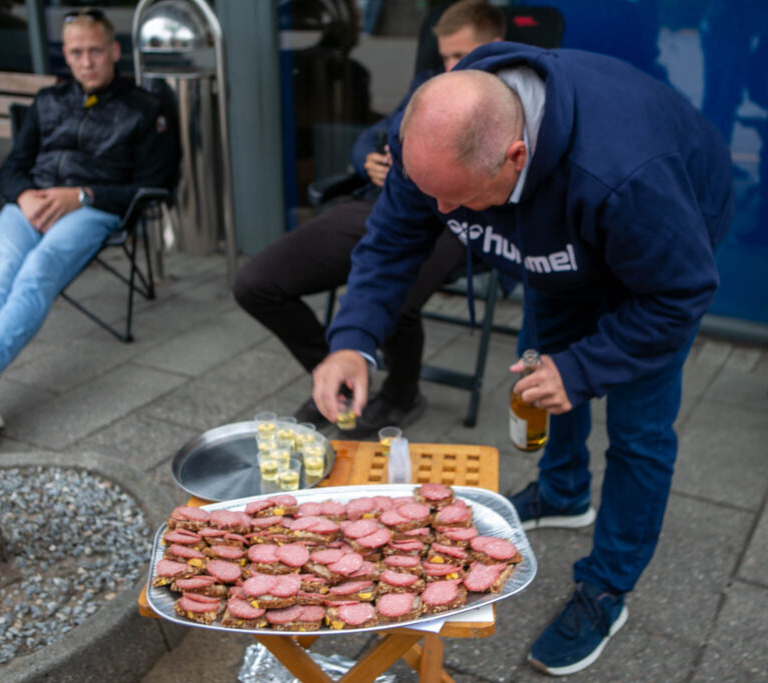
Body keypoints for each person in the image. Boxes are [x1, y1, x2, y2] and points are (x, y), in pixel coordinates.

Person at [311, 44, 733, 675]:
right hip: (557, 249)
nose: (444, 216)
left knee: (639, 433)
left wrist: (586, 368)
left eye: (458, 200)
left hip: (660, 258)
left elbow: (681, 293)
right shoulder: (433, 135)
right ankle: (564, 492)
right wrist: (352, 339)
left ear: (515, 157)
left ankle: (606, 588)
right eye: (435, 197)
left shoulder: (626, 171)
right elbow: (395, 236)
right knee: (541, 371)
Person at [232, 0, 504, 437]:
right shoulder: (429, 85)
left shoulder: (506, 101)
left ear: (495, 46)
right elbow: (372, 136)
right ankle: (341, 371)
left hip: (455, 219)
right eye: (445, 56)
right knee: (256, 284)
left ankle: (401, 394)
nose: (450, 66)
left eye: (460, 55)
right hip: (383, 204)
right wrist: (369, 161)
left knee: (395, 299)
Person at [0, 8, 176, 433]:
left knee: (37, 271)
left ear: (114, 50)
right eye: (77, 52)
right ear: (65, 54)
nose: (86, 62)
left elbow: (156, 185)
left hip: (92, 209)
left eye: (95, 51)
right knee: (4, 270)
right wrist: (24, 196)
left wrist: (81, 195)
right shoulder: (48, 101)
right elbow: (12, 167)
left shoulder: (145, 107)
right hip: (30, 204)